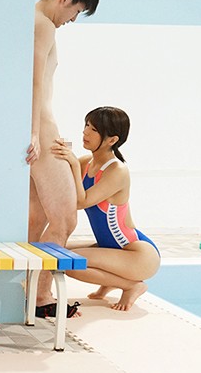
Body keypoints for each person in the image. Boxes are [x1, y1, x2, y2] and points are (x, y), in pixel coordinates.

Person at [28, 0, 99, 318]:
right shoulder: (43, 24)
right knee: (64, 219)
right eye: (76, 11)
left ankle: (25, 294)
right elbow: (34, 82)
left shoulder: (31, 20)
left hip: (39, 130)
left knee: (35, 218)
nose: (72, 19)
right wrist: (34, 133)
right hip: (42, 132)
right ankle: (41, 298)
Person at [51, 106, 160, 311]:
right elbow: (64, 182)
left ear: (112, 140)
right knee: (54, 251)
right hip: (109, 247)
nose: (85, 132)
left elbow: (81, 202)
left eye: (94, 130)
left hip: (137, 254)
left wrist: (73, 163)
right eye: (86, 125)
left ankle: (131, 286)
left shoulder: (117, 170)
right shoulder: (86, 162)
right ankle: (111, 281)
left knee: (66, 262)